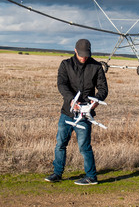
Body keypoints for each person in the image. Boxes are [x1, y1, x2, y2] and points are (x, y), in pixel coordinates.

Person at [45, 39, 108, 185]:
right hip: (67, 112)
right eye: (81, 55)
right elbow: (61, 84)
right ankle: (57, 173)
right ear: (75, 50)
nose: (84, 58)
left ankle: (91, 177)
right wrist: (71, 100)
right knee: (60, 143)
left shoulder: (96, 66)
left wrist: (96, 101)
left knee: (84, 146)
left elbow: (103, 88)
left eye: (86, 55)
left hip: (85, 114)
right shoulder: (65, 65)